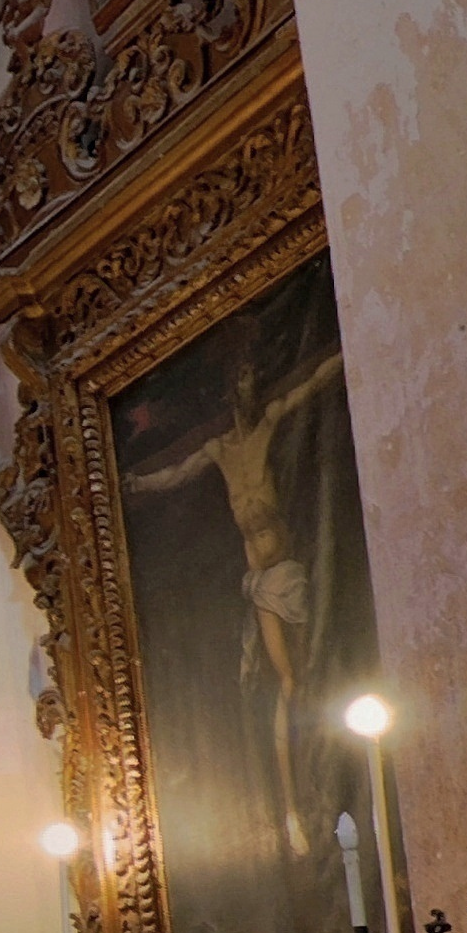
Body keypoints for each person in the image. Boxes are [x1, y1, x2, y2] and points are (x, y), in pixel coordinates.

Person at [121, 334, 348, 856]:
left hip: (286, 573)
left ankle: (317, 773)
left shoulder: (267, 424)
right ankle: (294, 806)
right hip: (261, 584)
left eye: (249, 380)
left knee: (305, 674)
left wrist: (345, 345)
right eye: (236, 384)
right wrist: (133, 484)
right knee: (287, 680)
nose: (244, 391)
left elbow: (311, 382)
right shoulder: (220, 450)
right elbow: (174, 473)